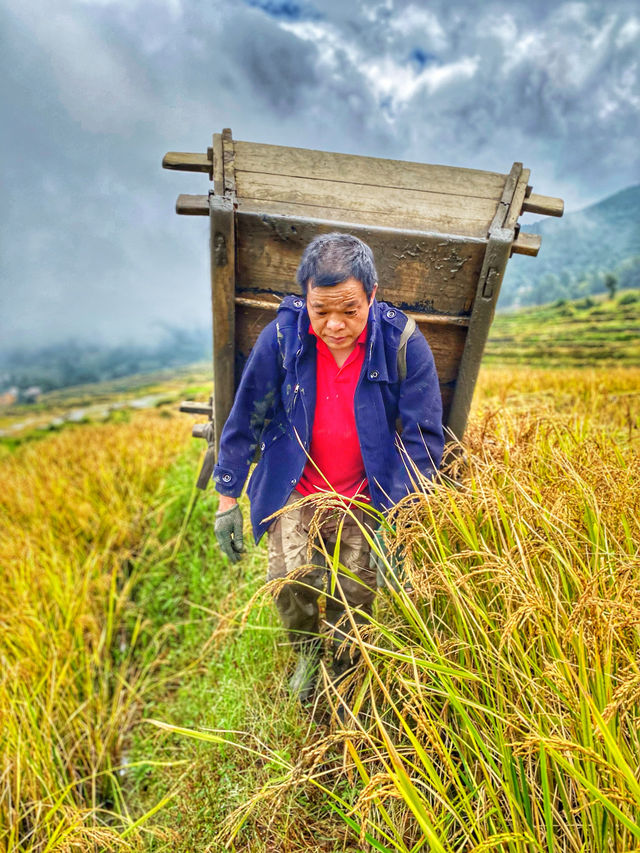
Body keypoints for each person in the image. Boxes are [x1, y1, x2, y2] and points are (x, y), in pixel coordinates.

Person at [212, 233, 444, 703]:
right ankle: (306, 652)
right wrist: (227, 499)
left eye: (349, 310)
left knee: (358, 591)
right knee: (289, 578)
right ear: (305, 299)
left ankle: (344, 659)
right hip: (298, 486)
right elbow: (248, 414)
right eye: (321, 311)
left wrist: (401, 521)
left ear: (372, 296)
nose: (334, 325)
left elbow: (423, 438)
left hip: (367, 490)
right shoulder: (282, 337)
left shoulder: (401, 342)